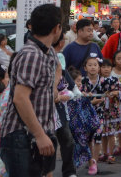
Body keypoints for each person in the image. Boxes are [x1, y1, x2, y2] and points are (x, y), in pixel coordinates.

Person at [0, 4, 62, 177]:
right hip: (22, 136)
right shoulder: (31, 54)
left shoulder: (47, 52)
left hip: (40, 133)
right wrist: (40, 135)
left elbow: (57, 69)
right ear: (57, 28)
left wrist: (53, 87)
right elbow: (20, 99)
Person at [81, 55, 121, 174]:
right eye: (90, 65)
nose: (93, 68)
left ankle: (94, 161)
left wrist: (115, 92)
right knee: (88, 138)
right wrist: (86, 97)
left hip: (100, 112)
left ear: (98, 68)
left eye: (95, 65)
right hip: (86, 112)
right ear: (85, 68)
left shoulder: (105, 81)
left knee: (98, 136)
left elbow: (120, 89)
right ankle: (90, 160)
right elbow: (78, 94)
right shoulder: (83, 81)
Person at [51, 33, 78, 177]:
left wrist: (61, 97)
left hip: (60, 110)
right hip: (43, 110)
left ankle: (69, 171)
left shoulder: (59, 64)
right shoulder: (38, 58)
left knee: (67, 140)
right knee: (48, 143)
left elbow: (71, 91)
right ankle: (45, 171)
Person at [98, 59, 121, 164]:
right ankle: (104, 153)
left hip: (112, 109)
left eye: (108, 67)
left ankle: (111, 154)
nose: (106, 69)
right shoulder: (98, 80)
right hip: (101, 109)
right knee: (103, 133)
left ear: (111, 68)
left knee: (111, 133)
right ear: (100, 68)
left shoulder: (115, 80)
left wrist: (116, 92)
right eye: (103, 67)